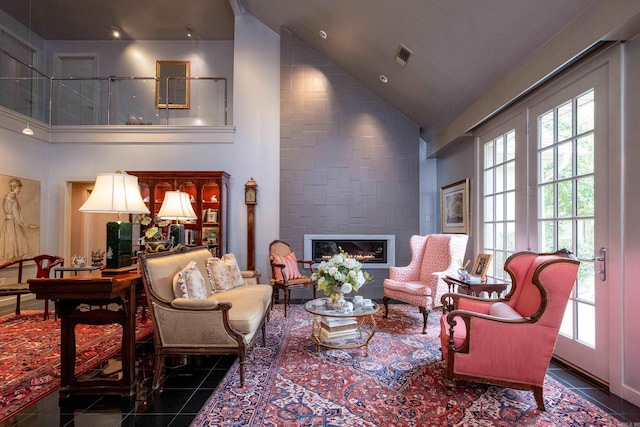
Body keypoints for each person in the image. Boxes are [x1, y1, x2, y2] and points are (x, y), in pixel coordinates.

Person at [0, 178, 38, 261]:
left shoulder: (7, 197)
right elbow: (17, 216)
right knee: (14, 241)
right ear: (13, 188)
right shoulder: (12, 199)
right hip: (13, 223)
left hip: (7, 223)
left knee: (11, 243)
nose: (19, 190)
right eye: (18, 188)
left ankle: (12, 260)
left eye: (20, 188)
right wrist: (28, 225)